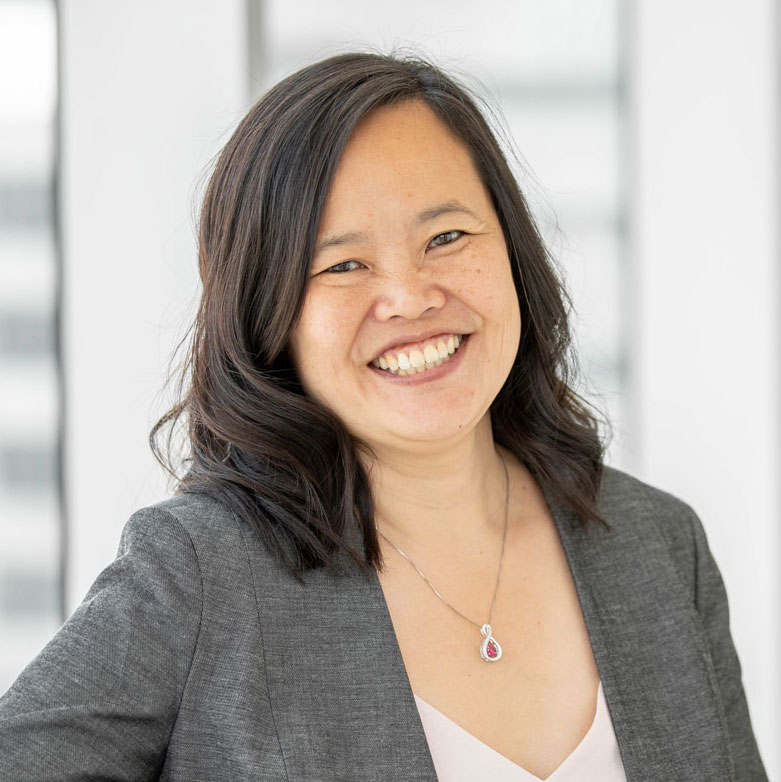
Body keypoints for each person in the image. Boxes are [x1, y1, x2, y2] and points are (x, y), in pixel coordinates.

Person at [0, 51, 768, 782]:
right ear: (269, 313)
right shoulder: (203, 572)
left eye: (446, 237)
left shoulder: (657, 544)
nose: (409, 296)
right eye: (342, 264)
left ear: (512, 252)